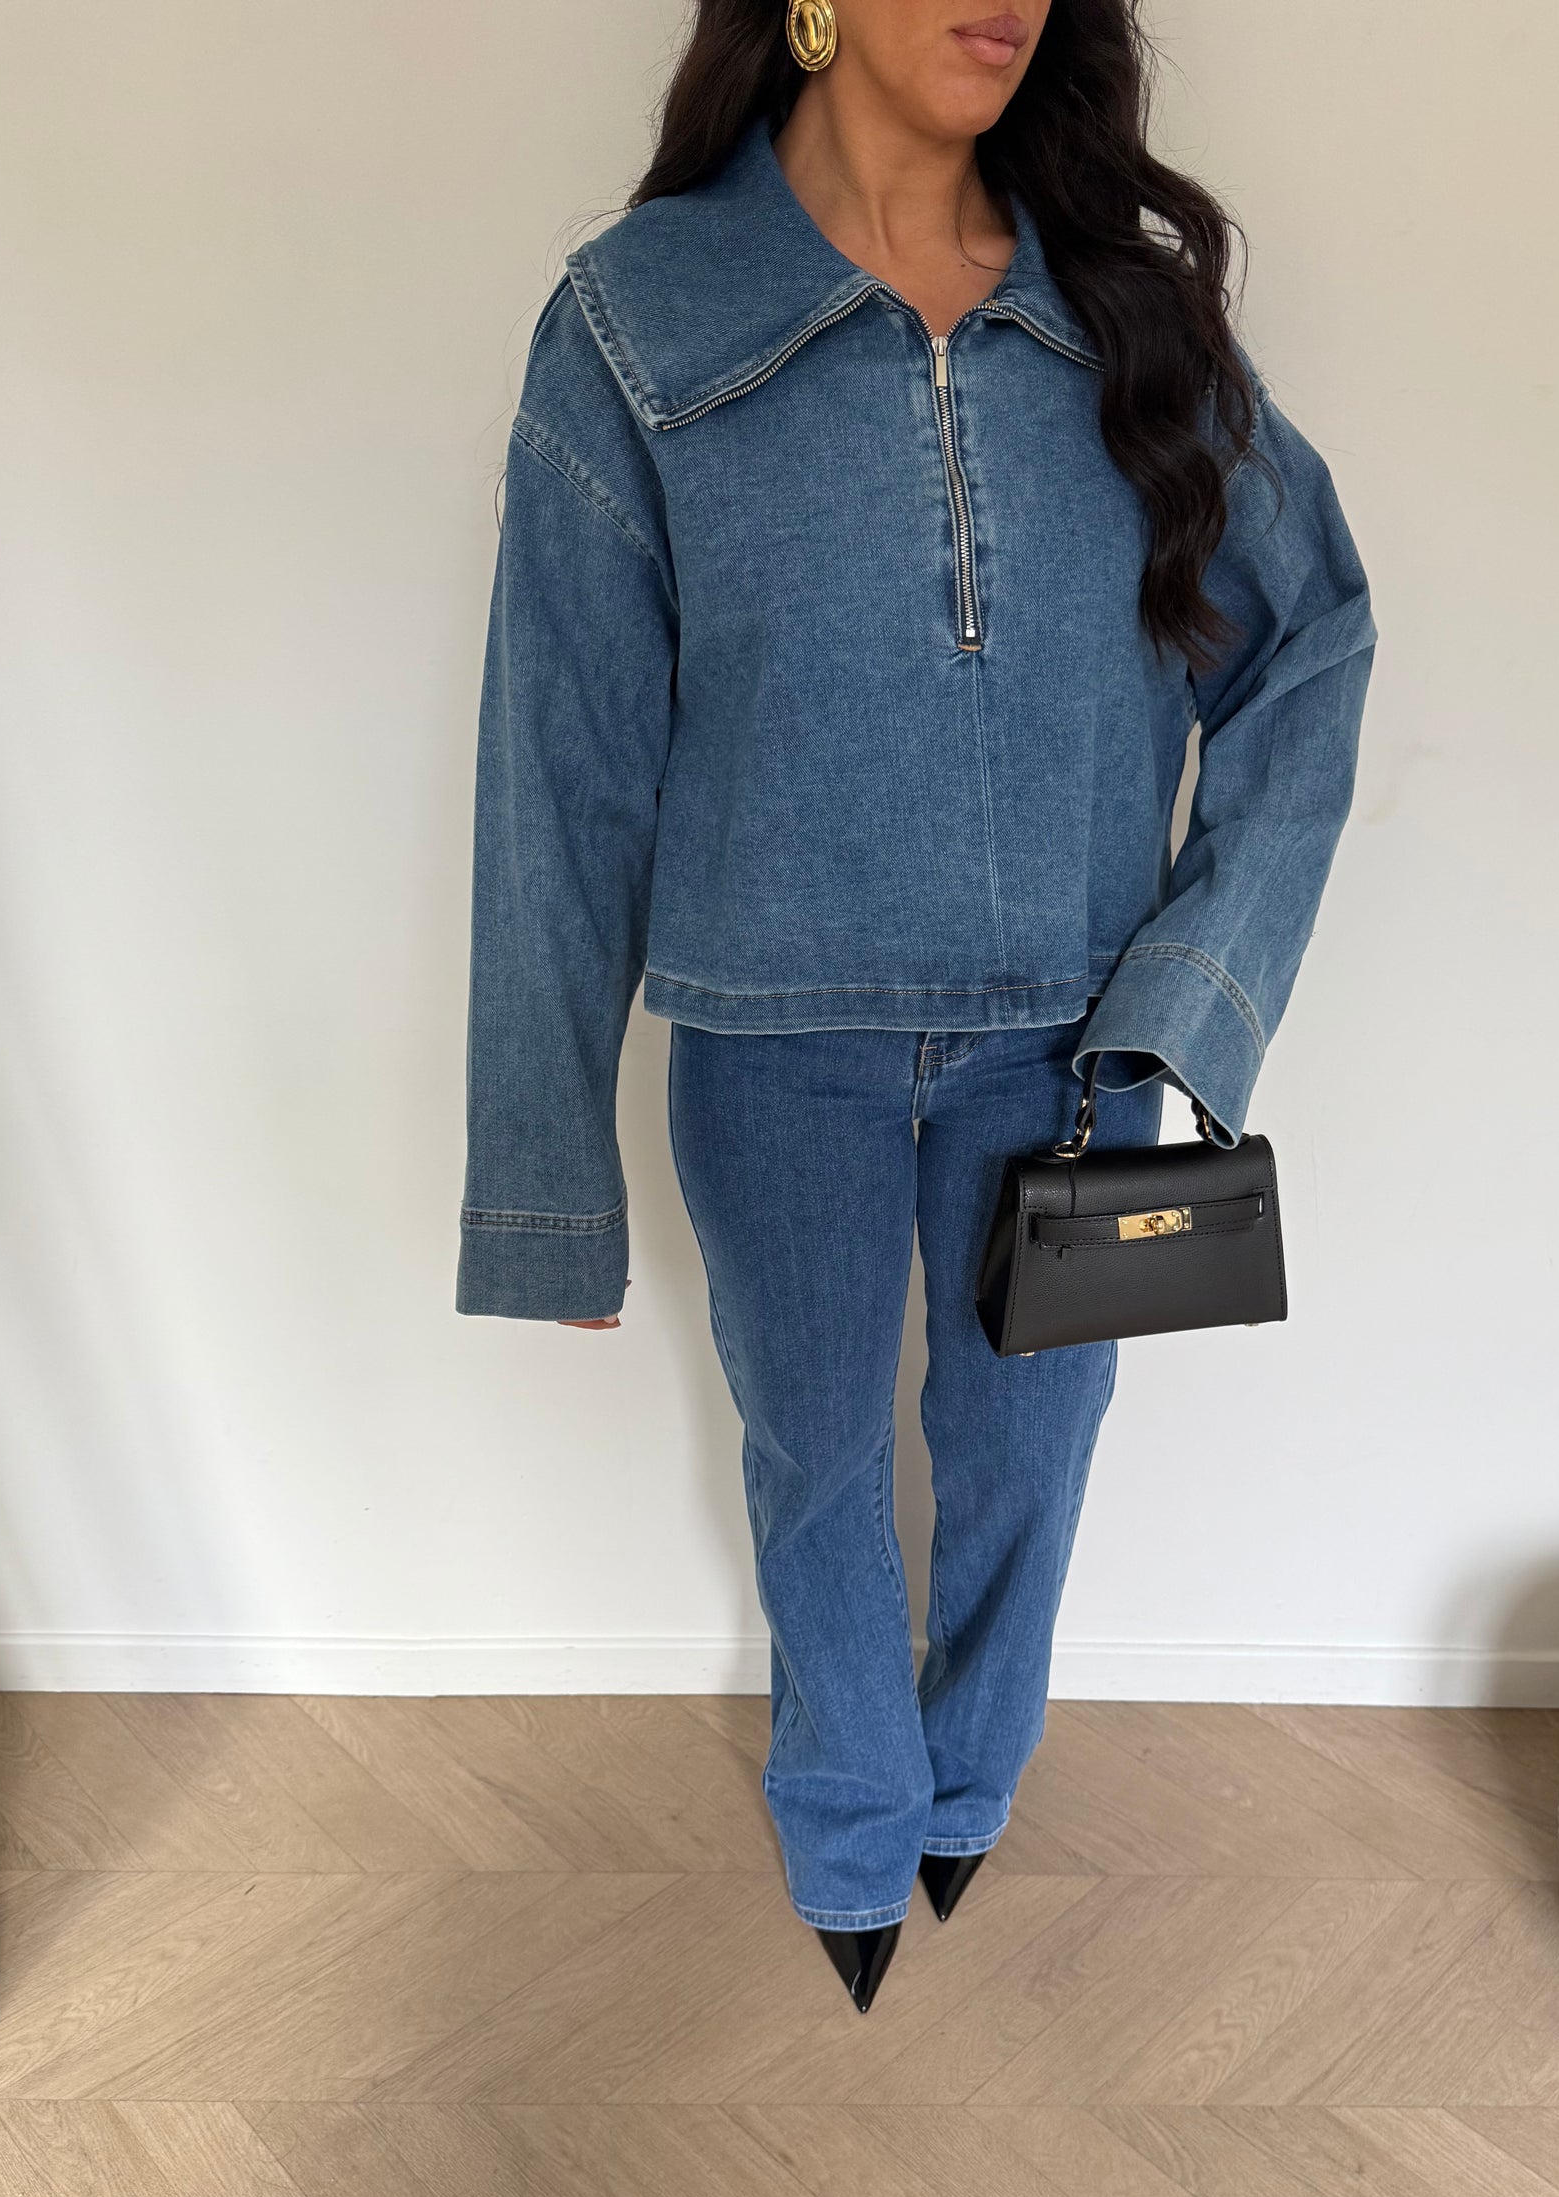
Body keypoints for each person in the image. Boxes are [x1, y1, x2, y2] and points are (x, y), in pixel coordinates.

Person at [457, 0, 1375, 2011]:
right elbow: (563, 760)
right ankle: (849, 1824)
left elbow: (1310, 647)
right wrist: (544, 1183)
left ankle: (968, 1790)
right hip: (764, 1036)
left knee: (1030, 1461)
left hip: (1076, 1055)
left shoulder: (1128, 316)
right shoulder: (636, 320)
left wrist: (1185, 1009)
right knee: (812, 1464)